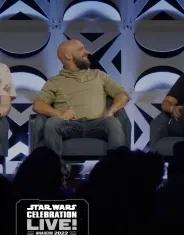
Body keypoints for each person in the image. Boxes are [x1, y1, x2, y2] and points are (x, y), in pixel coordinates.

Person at [32, 40, 129, 175]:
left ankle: (115, 173)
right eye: (81, 49)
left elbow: (122, 95)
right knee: (52, 123)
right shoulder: (54, 81)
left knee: (112, 122)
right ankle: (57, 173)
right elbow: (38, 105)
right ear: (68, 56)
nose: (87, 52)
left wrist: (111, 110)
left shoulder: (99, 75)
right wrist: (59, 113)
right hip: (69, 125)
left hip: (97, 123)